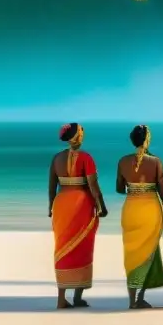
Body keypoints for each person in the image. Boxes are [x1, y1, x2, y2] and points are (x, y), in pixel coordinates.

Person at [48, 123, 108, 309]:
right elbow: (94, 187)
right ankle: (77, 296)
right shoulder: (86, 158)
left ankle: (61, 297)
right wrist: (101, 206)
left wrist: (51, 207)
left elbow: (51, 187)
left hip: (61, 204)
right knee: (82, 248)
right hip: (81, 205)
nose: (83, 134)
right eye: (81, 132)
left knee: (62, 248)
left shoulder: (56, 158)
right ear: (76, 137)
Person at [117, 125, 163, 309]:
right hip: (150, 210)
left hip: (131, 209)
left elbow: (119, 188)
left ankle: (132, 299)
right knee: (149, 252)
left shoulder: (123, 161)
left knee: (131, 253)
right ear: (147, 140)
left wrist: (135, 187)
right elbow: (162, 190)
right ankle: (140, 298)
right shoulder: (156, 162)